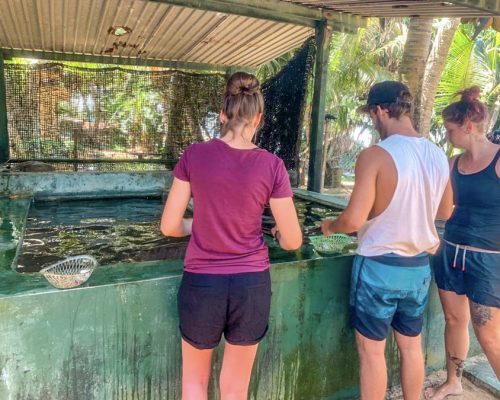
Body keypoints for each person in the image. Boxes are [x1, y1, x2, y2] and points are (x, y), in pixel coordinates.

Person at [160, 71, 302, 400]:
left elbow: (169, 226)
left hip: (202, 284)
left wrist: (199, 224)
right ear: (258, 117)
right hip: (251, 285)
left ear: (222, 115)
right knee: (235, 388)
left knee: (194, 384)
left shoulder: (194, 156)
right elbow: (292, 241)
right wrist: (280, 234)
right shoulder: (272, 165)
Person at [321, 81, 451, 400]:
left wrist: (329, 226)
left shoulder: (376, 155)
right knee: (410, 347)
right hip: (419, 267)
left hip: (379, 267)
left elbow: (352, 220)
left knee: (372, 353)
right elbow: (445, 211)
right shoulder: (437, 155)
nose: (373, 123)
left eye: (371, 116)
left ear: (380, 111)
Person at [425, 87, 500, 400]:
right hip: (451, 252)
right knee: (454, 321)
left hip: (488, 259)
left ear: (468, 127)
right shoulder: (453, 163)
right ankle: (454, 381)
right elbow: (443, 212)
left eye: (450, 129)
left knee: (488, 334)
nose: (447, 135)